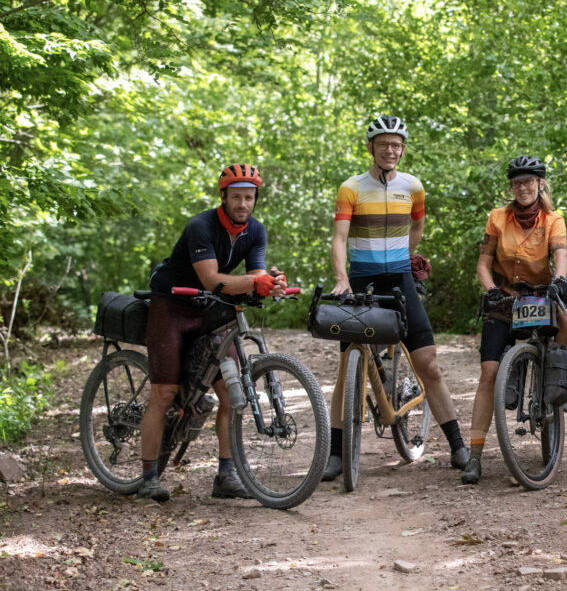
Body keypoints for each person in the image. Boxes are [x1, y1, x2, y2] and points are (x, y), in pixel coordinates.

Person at [323, 115, 469, 478]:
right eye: (384, 144)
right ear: (371, 147)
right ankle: (337, 455)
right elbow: (339, 238)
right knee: (346, 370)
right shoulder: (351, 188)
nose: (391, 150)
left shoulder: (413, 187)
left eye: (397, 145)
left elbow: (417, 224)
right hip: (362, 282)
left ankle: (458, 446)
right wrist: (342, 278)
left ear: (403, 149)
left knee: (429, 363)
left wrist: (405, 255)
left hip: (400, 281)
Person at [138, 164, 288, 502]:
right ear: (223, 197)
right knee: (164, 392)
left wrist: (269, 285)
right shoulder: (201, 226)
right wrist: (254, 282)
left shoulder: (256, 231)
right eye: (236, 197)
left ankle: (226, 475)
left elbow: (254, 276)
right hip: (172, 305)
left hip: (211, 308)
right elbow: (210, 279)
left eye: (249, 198)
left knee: (230, 396)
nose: (243, 204)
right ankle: (148, 477)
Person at [460, 155, 567, 485]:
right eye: (516, 183)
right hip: (505, 297)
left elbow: (560, 254)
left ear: (540, 184)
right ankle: (475, 455)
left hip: (541, 294)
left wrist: (561, 279)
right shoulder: (497, 218)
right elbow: (483, 263)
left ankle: (561, 378)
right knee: (489, 372)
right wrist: (491, 289)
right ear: (511, 188)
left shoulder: (554, 219)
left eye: (528, 181)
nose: (522, 188)